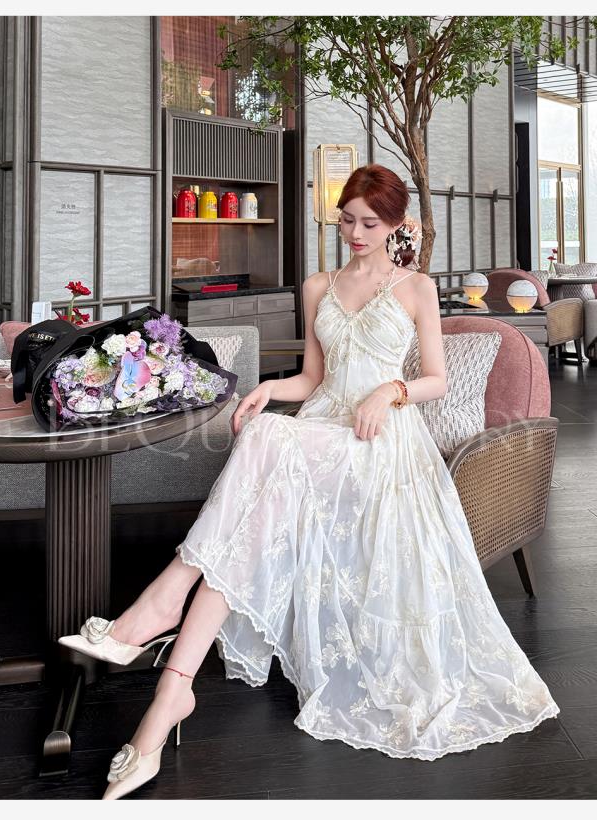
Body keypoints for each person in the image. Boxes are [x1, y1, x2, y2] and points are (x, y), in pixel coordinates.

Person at [59, 163, 560, 799]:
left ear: (396, 226)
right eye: (346, 220)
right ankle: (169, 697)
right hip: (320, 431)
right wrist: (268, 389)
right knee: (253, 504)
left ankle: (158, 610)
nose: (354, 232)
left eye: (368, 223)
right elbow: (313, 380)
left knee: (267, 449)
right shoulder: (319, 284)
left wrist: (391, 390)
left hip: (380, 442)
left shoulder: (416, 288)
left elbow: (436, 380)